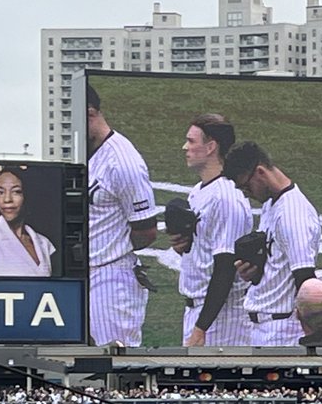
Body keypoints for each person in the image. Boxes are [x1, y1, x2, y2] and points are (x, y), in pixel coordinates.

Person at [223, 141, 322, 346]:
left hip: (284, 331)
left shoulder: (294, 213)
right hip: (265, 327)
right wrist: (254, 274)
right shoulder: (271, 203)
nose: (245, 193)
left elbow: (304, 280)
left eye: (246, 186)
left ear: (260, 172)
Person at [85, 84, 160, 346]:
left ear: (89, 113)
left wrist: (112, 248)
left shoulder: (123, 161)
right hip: (84, 275)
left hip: (111, 280)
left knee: (114, 366)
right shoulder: (82, 151)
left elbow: (146, 231)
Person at [173, 113, 253, 346]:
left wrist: (201, 328)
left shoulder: (226, 198)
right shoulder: (199, 191)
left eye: (191, 141)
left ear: (210, 147)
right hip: (197, 310)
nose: (184, 147)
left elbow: (225, 269)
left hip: (222, 320)